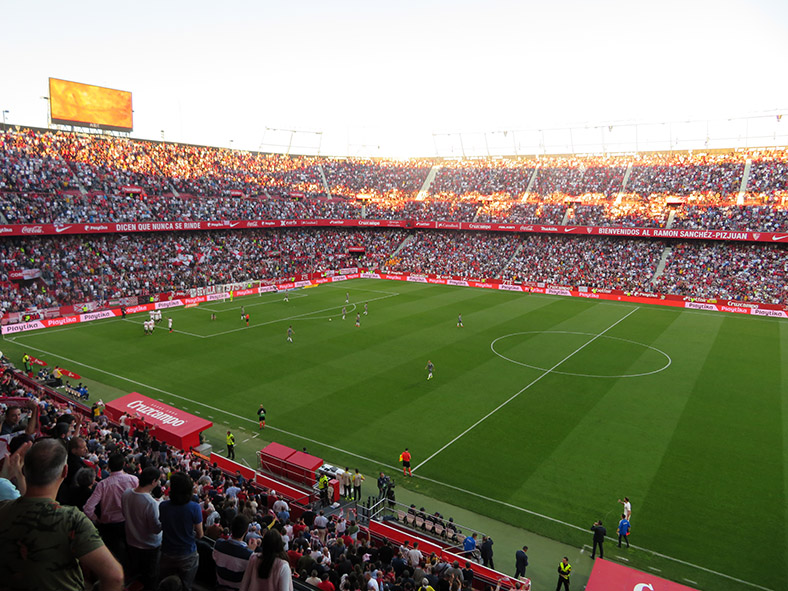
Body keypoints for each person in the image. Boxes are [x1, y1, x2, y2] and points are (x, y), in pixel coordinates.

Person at [0, 438, 124, 591]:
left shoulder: (3, 507)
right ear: (65, 471)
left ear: (24, 469)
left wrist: (4, 479)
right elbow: (115, 576)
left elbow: (28, 503)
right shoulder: (72, 520)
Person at [84, 452, 140, 563]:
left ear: (109, 466)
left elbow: (87, 508)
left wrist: (96, 519)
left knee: (114, 557)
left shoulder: (102, 484)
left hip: (109, 525)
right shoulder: (133, 480)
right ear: (124, 464)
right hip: (129, 522)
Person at [159, 471, 203, 591]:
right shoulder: (194, 507)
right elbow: (200, 534)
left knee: (166, 584)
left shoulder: (163, 506)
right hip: (187, 554)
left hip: (167, 552)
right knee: (185, 586)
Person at [122, 466, 163, 591]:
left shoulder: (126, 493)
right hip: (149, 546)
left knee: (136, 573)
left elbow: (125, 514)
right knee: (150, 577)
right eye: (158, 480)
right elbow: (155, 529)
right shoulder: (151, 503)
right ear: (153, 482)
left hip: (131, 541)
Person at [213, 514, 256, 591]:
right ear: (246, 531)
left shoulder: (218, 544)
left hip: (219, 586)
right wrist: (250, 551)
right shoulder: (249, 556)